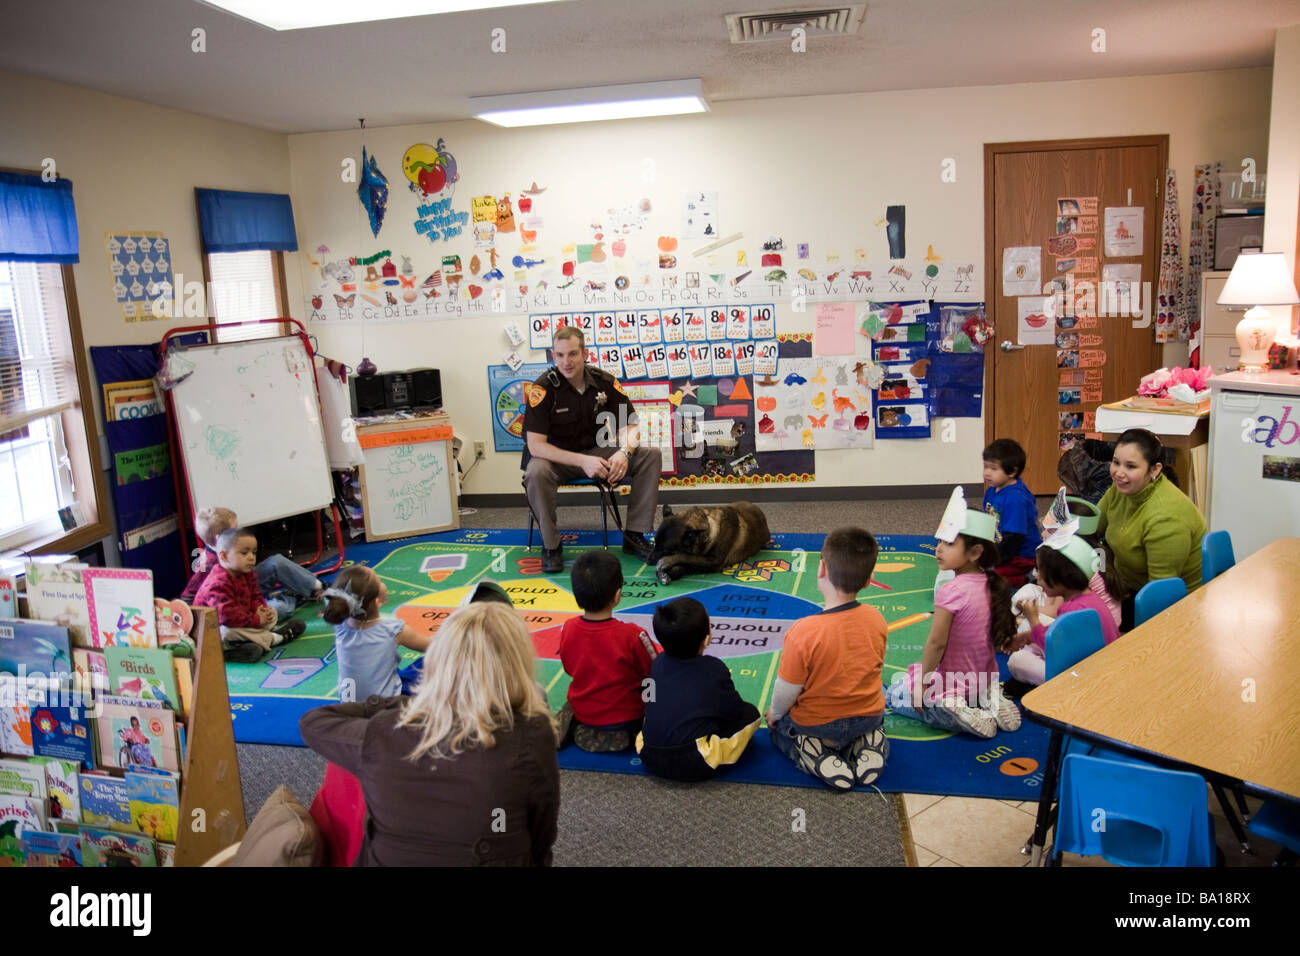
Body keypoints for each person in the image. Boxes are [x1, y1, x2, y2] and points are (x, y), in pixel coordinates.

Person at [299, 603, 559, 866]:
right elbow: (542, 831)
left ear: (438, 660)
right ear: (517, 665)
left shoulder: (384, 732)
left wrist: (417, 703)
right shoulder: (533, 732)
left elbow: (315, 722)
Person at [522, 326, 660, 573]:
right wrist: (581, 462)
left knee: (650, 455)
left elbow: (631, 426)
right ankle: (551, 546)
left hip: (595, 453)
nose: (567, 361)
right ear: (553, 356)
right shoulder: (542, 389)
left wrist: (623, 453)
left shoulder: (604, 382)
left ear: (585, 353)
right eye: (560, 355)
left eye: (573, 354)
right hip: (555, 460)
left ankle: (635, 535)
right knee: (535, 472)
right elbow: (536, 446)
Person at [887, 489, 1020, 739]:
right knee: (912, 678)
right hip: (983, 677)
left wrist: (924, 683)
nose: (938, 549)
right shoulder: (994, 584)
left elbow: (937, 644)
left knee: (895, 693)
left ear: (975, 552)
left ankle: (954, 712)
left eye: (948, 543)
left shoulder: (951, 591)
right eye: (939, 541)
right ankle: (990, 697)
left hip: (952, 684)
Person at [765, 527, 890, 791]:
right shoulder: (877, 619)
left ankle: (812, 751)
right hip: (868, 716)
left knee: (777, 729)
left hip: (816, 724)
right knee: (868, 721)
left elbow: (786, 691)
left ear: (821, 570)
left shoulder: (803, 631)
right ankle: (867, 741)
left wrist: (774, 714)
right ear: (869, 580)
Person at [637, 597, 761, 781]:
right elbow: (734, 711)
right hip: (693, 761)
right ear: (707, 638)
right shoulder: (714, 669)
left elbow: (649, 701)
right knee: (752, 715)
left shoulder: (656, 665)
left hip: (646, 752)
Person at [1096, 428, 1207, 628]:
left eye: (1130, 466)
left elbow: (1160, 596)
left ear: (1155, 469)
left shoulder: (1166, 518)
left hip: (1173, 609)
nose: (1118, 473)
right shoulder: (1122, 488)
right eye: (1116, 462)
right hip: (1129, 585)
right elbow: (1092, 526)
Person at [556, 550, 660, 752]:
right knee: (657, 686)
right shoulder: (633, 635)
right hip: (629, 719)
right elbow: (653, 672)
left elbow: (569, 668)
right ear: (618, 596)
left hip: (584, 715)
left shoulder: (567, 628)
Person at [1006, 532, 1120, 686]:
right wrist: (1028, 635)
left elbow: (1056, 648)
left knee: (1017, 661)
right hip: (1098, 662)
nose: (1037, 576)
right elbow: (1059, 633)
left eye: (1041, 571)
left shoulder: (1073, 610)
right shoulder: (1087, 599)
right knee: (1028, 629)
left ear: (1062, 577)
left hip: (1089, 678)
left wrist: (1033, 620)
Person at [180, 506, 323, 620]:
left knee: (276, 562)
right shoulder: (209, 564)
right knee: (278, 608)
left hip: (244, 587)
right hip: (231, 605)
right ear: (219, 539)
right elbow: (189, 599)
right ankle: (292, 597)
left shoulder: (229, 549)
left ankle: (316, 585)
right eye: (235, 530)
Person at [193, 527, 305, 662]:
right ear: (223, 556)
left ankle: (254, 641)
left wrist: (261, 609)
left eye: (254, 552)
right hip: (215, 632)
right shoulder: (218, 584)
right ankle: (274, 638)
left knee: (273, 613)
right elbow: (227, 616)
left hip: (243, 620)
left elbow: (255, 595)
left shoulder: (247, 573)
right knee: (227, 633)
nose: (251, 557)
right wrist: (256, 620)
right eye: (244, 553)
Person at [322, 565, 431, 702]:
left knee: (392, 672)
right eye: (379, 580)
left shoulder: (340, 626)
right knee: (428, 663)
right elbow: (435, 646)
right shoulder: (394, 630)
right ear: (377, 602)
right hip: (385, 707)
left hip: (348, 706)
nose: (382, 582)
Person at [981, 439, 1042, 587]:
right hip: (1002, 546)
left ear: (1012, 471)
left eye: (994, 468)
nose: (987, 472)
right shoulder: (992, 490)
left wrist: (993, 560)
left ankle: (1025, 579)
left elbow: (1015, 538)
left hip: (1021, 556)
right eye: (985, 466)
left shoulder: (1015, 498)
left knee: (988, 580)